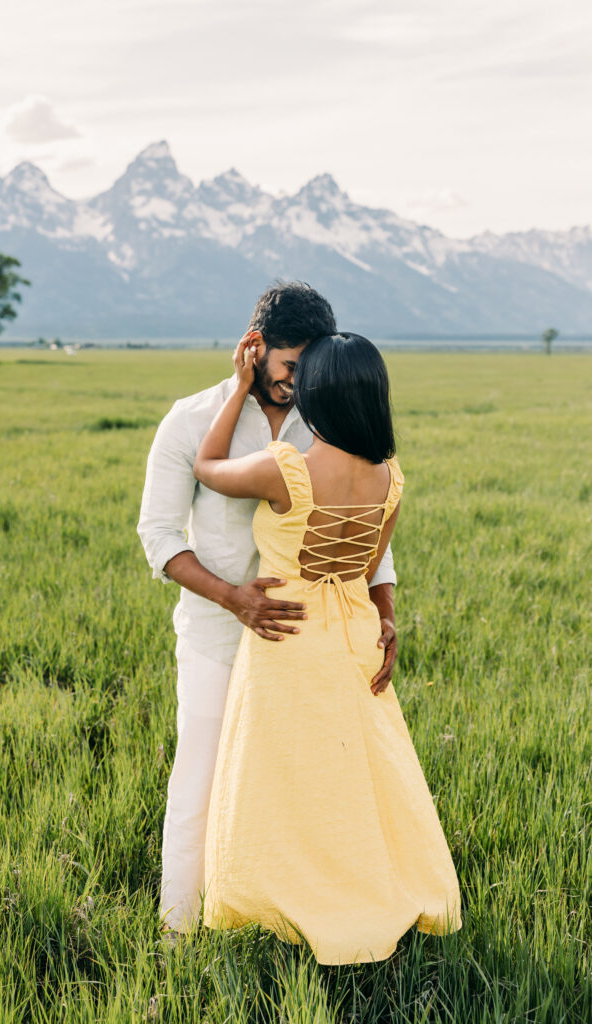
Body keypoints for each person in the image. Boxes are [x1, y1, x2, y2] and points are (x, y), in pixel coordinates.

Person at [137, 283, 399, 936]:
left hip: (310, 649)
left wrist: (383, 612)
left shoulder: (330, 418)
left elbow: (372, 528)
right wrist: (234, 599)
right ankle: (179, 931)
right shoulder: (191, 419)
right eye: (287, 368)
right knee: (198, 784)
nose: (298, 384)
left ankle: (288, 928)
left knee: (306, 793)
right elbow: (159, 535)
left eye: (309, 371)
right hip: (217, 639)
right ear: (253, 349)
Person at [193, 332, 462, 965]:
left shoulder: (286, 467)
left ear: (320, 394)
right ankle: (367, 888)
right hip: (354, 630)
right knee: (354, 777)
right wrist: (385, 619)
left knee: (285, 778)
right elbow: (369, 567)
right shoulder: (390, 479)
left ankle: (293, 900)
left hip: (287, 633)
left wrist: (237, 387)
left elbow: (206, 467)